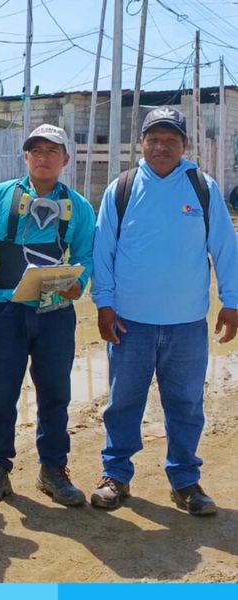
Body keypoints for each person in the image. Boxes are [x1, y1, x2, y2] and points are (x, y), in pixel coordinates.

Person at [90, 107, 238, 515]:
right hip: (129, 323)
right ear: (141, 143)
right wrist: (104, 304)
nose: (161, 147)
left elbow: (225, 248)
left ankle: (185, 481)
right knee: (123, 402)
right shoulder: (122, 189)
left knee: (186, 405)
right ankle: (115, 475)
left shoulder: (202, 188)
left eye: (170, 140)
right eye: (153, 139)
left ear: (184, 145)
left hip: (186, 325)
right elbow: (103, 252)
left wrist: (232, 301)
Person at [0, 124, 95, 507]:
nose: (43, 157)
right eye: (36, 150)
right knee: (0, 393)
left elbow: (85, 254)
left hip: (55, 313)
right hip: (5, 311)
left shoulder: (80, 207)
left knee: (55, 393)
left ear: (65, 159)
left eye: (52, 151)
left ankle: (53, 470)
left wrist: (78, 283)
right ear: (26, 157)